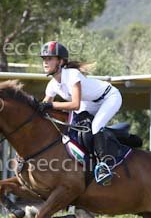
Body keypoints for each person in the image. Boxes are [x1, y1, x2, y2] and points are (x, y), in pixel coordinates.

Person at [38, 41, 123, 186]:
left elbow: (75, 104)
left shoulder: (72, 75)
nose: (45, 62)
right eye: (44, 59)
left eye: (49, 59)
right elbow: (43, 107)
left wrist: (51, 105)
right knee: (76, 127)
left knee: (96, 126)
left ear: (61, 61)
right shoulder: (52, 85)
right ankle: (87, 161)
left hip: (109, 97)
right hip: (89, 102)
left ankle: (104, 166)